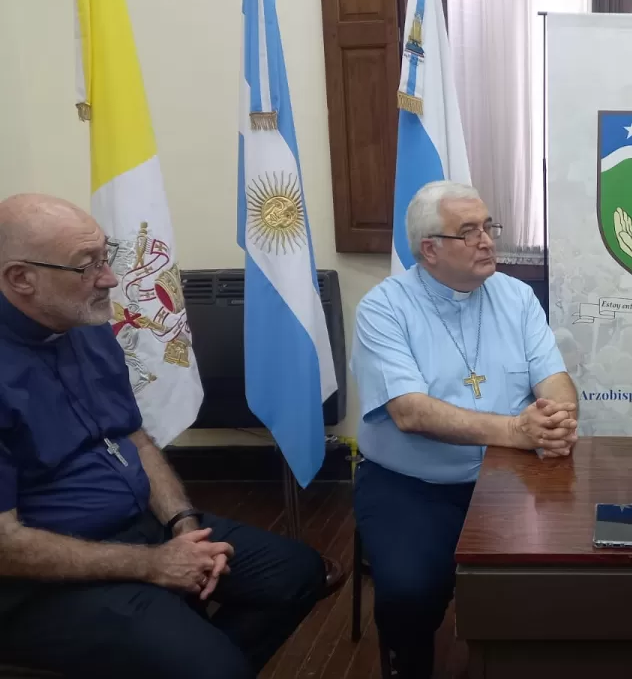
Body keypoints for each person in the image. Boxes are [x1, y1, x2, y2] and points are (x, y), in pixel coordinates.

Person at [0, 194, 326, 678]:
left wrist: (183, 526)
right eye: (86, 267)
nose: (109, 279)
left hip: (143, 525)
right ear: (21, 278)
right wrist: (152, 565)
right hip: (44, 579)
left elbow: (135, 437)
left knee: (296, 573)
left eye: (105, 258)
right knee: (214, 667)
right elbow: (6, 545)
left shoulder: (85, 326)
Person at [351, 181, 578, 678]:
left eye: (488, 226)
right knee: (411, 593)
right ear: (429, 249)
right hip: (413, 485)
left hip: (509, 479)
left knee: (561, 575)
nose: (488, 240)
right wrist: (516, 429)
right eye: (469, 231)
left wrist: (558, 419)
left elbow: (554, 378)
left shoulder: (516, 297)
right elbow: (410, 411)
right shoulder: (383, 308)